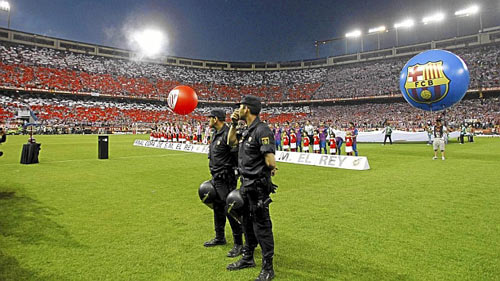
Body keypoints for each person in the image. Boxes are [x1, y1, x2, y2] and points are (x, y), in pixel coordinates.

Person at [227, 95, 277, 281]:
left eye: (240, 107)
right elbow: (230, 142)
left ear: (246, 109)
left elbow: (270, 160)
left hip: (257, 187)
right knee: (246, 223)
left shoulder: (262, 130)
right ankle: (248, 258)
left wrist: (269, 169)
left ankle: (268, 268)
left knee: (262, 226)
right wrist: (232, 124)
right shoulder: (246, 130)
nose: (238, 110)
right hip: (245, 185)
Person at [205, 109, 243, 257]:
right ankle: (219, 237)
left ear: (216, 119)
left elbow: (236, 155)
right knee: (218, 208)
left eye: (210, 118)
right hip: (216, 177)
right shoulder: (216, 134)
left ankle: (239, 243)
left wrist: (235, 173)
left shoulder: (229, 133)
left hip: (226, 178)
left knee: (231, 210)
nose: (208, 121)